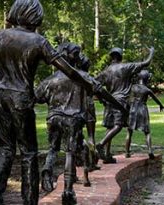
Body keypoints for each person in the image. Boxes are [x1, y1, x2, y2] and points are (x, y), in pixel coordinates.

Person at [0, 1, 95, 204]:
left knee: (4, 149)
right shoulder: (38, 41)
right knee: (28, 153)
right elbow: (68, 70)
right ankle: (29, 201)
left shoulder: (0, 35)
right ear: (34, 16)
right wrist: (87, 83)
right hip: (20, 98)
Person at [35, 43, 126, 204]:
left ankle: (47, 167)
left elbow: (37, 97)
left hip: (53, 118)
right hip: (73, 119)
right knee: (70, 153)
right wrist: (120, 107)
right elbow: (103, 93)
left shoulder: (50, 79)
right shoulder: (82, 76)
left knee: (53, 148)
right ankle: (68, 191)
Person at [95, 46, 155, 163]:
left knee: (109, 126)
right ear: (120, 56)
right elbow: (146, 63)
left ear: (111, 56)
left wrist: (101, 100)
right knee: (117, 126)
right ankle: (101, 144)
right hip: (120, 101)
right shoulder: (125, 67)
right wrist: (151, 52)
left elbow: (95, 85)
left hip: (109, 101)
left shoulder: (106, 71)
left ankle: (107, 155)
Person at [125, 70, 164, 159]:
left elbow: (128, 98)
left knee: (129, 131)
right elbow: (156, 99)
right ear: (147, 79)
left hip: (133, 109)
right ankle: (150, 150)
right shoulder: (147, 90)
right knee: (147, 132)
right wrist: (161, 106)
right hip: (142, 110)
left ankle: (127, 152)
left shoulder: (133, 87)